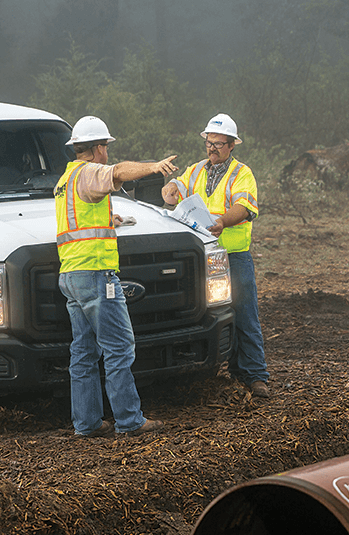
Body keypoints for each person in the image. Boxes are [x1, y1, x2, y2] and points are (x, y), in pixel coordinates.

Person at [56, 115, 177, 436]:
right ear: (98, 148)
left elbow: (79, 220)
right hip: (95, 274)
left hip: (70, 275)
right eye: (105, 147)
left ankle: (87, 424)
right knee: (119, 347)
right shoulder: (91, 172)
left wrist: (112, 220)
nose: (106, 153)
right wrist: (154, 167)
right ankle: (129, 420)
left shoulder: (65, 179)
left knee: (83, 352)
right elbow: (119, 172)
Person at [162, 114, 270, 398]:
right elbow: (178, 190)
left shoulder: (242, 174)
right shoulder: (196, 170)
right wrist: (170, 190)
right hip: (203, 258)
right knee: (213, 315)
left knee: (245, 313)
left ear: (232, 145)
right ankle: (231, 371)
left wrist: (222, 221)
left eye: (219, 144)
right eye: (209, 143)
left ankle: (257, 375)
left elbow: (245, 208)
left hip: (233, 255)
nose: (212, 149)